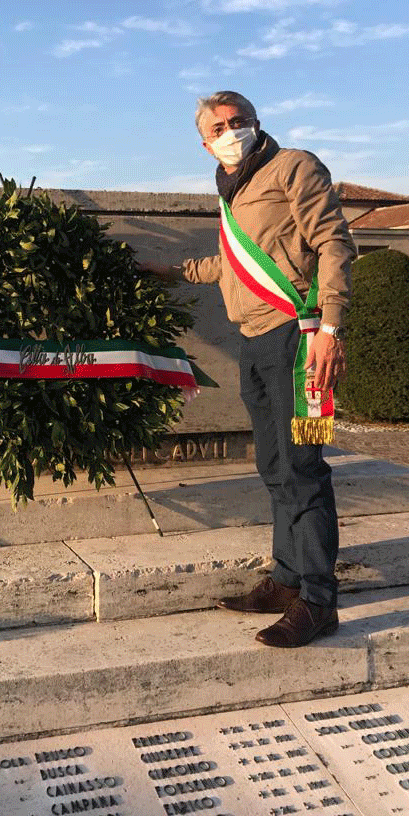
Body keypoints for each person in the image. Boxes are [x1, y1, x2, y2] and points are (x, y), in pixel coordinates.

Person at [144, 91, 356, 648]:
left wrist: (330, 330)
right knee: (274, 464)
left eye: (239, 121)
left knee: (304, 465)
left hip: (301, 338)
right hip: (254, 344)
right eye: (219, 126)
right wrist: (169, 271)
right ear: (204, 141)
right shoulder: (231, 192)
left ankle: (317, 600)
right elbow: (232, 265)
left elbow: (333, 241)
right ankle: (286, 579)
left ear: (256, 123)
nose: (231, 130)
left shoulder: (293, 167)